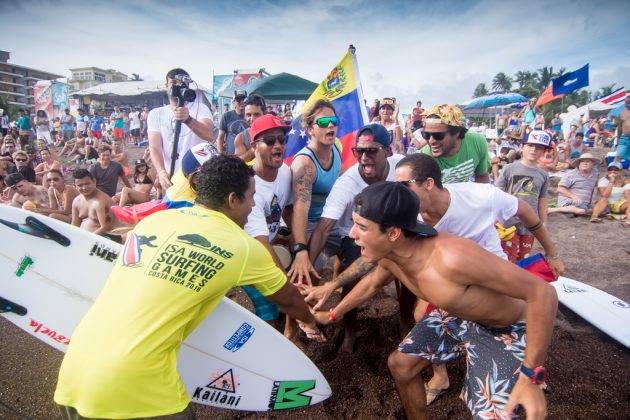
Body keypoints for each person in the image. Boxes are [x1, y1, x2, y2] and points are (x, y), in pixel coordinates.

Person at [54, 155, 324, 420]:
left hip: (74, 374)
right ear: (232, 200)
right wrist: (312, 320)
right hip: (136, 384)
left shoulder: (154, 221)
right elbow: (289, 300)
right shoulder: (242, 246)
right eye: (251, 196)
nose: (253, 204)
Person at [314, 181, 558, 420]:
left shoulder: (451, 258)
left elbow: (543, 293)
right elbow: (372, 283)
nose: (352, 234)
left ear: (393, 233)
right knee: (401, 365)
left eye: (362, 227)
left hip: (509, 328)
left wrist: (531, 373)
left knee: (493, 415)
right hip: (460, 315)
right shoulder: (391, 256)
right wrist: (332, 313)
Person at [308, 123, 404, 353]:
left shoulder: (402, 168)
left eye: (371, 151)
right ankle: (350, 331)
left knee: (406, 269)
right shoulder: (347, 183)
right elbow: (324, 228)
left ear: (388, 152)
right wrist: (308, 267)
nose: (363, 157)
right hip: (355, 233)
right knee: (351, 274)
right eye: (359, 151)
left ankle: (405, 321)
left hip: (393, 230)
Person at [242, 114, 294, 324]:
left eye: (282, 140)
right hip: (247, 258)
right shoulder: (248, 186)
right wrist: (288, 287)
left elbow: (288, 208)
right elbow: (261, 245)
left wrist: (298, 246)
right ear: (255, 146)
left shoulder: (285, 172)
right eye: (270, 141)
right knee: (267, 316)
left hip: (268, 244)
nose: (278, 145)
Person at [288, 99, 342, 285]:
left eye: (334, 121)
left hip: (332, 219)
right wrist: (301, 249)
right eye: (323, 123)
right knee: (307, 275)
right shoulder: (304, 164)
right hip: (309, 223)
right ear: (310, 129)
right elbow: (300, 207)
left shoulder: (336, 148)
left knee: (357, 252)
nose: (330, 126)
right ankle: (296, 312)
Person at [148, 68, 215, 191]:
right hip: (171, 178)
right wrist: (161, 172)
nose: (177, 86)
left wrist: (188, 120)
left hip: (198, 177)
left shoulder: (201, 108)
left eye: (181, 83)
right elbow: (155, 146)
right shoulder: (156, 113)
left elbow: (210, 135)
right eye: (173, 82)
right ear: (166, 86)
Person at [496, 131, 551, 262]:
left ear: (543, 152)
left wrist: (543, 222)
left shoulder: (543, 175)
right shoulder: (509, 168)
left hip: (530, 223)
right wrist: (497, 216)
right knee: (509, 257)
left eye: (538, 148)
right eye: (530, 146)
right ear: (522, 147)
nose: (533, 150)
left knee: (524, 257)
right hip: (509, 221)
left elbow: (542, 200)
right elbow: (498, 192)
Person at [420, 104, 490, 183]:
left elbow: (482, 176)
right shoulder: (426, 157)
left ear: (457, 132)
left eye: (438, 135)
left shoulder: (477, 142)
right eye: (426, 135)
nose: (431, 141)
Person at [71, 168, 117, 238]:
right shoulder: (76, 201)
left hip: (105, 238)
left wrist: (87, 238)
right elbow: (75, 224)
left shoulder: (101, 201)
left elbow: (106, 227)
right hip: (84, 238)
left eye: (87, 184)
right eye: (80, 185)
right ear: (75, 186)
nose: (84, 187)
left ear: (94, 182)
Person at [233, 94, 266, 162]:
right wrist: (255, 147)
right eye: (248, 115)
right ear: (244, 116)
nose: (252, 118)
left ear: (264, 114)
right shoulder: (241, 138)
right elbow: (239, 164)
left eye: (256, 114)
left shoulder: (275, 132)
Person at [217, 90, 248, 155]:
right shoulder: (227, 116)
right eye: (239, 100)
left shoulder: (250, 116)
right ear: (233, 102)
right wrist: (220, 154)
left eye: (244, 99)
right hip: (230, 158)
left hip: (248, 158)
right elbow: (220, 137)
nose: (242, 102)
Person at [616, 96, 630, 163]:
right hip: (624, 137)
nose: (628, 105)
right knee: (618, 155)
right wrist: (618, 139)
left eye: (629, 103)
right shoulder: (622, 113)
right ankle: (615, 170)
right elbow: (619, 127)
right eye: (626, 103)